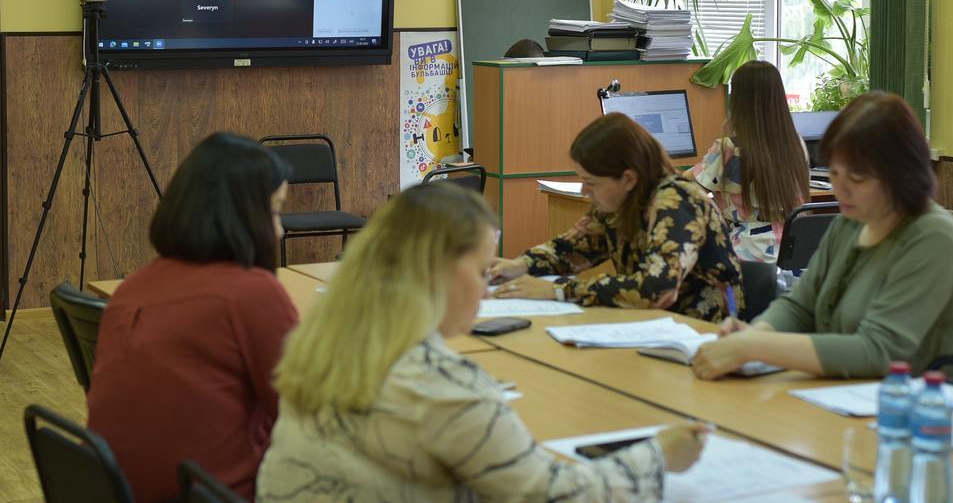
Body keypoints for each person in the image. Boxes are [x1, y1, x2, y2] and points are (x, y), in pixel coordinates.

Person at [257, 183, 707, 501]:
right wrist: (657, 456)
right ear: (438, 271)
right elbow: (552, 495)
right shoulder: (439, 387)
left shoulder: (325, 342)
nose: (487, 292)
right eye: (479, 271)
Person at [691, 92, 953, 380]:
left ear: (900, 173)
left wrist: (755, 346)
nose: (841, 189)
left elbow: (879, 351)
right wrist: (755, 333)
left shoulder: (934, 238)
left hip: (919, 401)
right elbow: (800, 306)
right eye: (835, 174)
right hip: (846, 391)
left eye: (857, 177)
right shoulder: (849, 225)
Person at [88, 133, 299, 501]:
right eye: (276, 211)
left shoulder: (133, 287)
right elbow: (306, 416)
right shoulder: (250, 293)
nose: (280, 230)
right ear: (243, 215)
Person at [489, 112, 744, 321]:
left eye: (591, 182)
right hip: (652, 327)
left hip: (703, 335)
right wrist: (519, 265)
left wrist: (559, 290)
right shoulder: (623, 201)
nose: (584, 191)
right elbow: (574, 248)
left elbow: (658, 289)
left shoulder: (677, 202)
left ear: (628, 178)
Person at [687, 60, 809, 263]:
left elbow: (686, 186)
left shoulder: (729, 148)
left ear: (737, 101)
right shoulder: (797, 143)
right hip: (792, 253)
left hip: (747, 256)